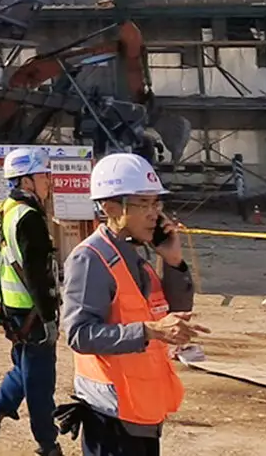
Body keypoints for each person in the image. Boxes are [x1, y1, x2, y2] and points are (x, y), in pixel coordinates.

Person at [59, 153, 207, 456]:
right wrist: (150, 330)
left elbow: (169, 311)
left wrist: (173, 262)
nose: (155, 214)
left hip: (142, 408)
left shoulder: (137, 258)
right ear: (111, 207)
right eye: (144, 204)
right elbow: (79, 334)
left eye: (157, 204)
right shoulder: (90, 259)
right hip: (112, 417)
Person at [0, 147, 63, 456]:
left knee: (23, 370)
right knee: (40, 383)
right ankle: (48, 446)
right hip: (33, 311)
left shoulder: (5, 209)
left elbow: (0, 263)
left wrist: (2, 306)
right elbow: (37, 274)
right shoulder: (29, 218)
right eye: (43, 176)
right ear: (26, 181)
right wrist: (49, 318)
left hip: (14, 308)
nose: (48, 181)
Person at [229, 154, 248, 222]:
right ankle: (243, 215)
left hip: (238, 180)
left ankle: (241, 213)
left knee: (240, 197)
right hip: (239, 180)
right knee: (241, 197)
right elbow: (238, 172)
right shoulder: (238, 165)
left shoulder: (236, 165)